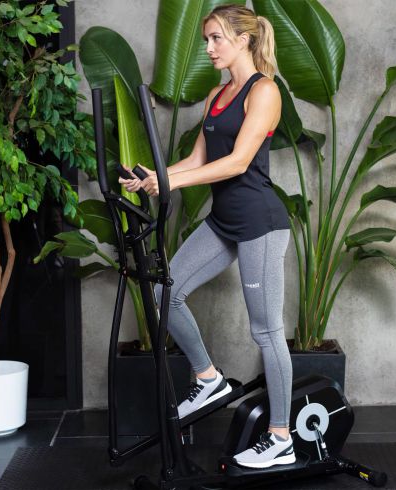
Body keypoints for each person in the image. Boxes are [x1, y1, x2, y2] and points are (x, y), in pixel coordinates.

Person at [118, 4, 294, 469]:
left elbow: (237, 162)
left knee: (266, 331)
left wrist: (168, 183)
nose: (209, 48)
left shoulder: (265, 91)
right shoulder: (218, 94)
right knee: (165, 291)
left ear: (243, 39)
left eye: (216, 38)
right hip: (224, 221)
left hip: (260, 224)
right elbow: (198, 160)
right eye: (206, 40)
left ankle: (281, 436)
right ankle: (208, 377)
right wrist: (153, 176)